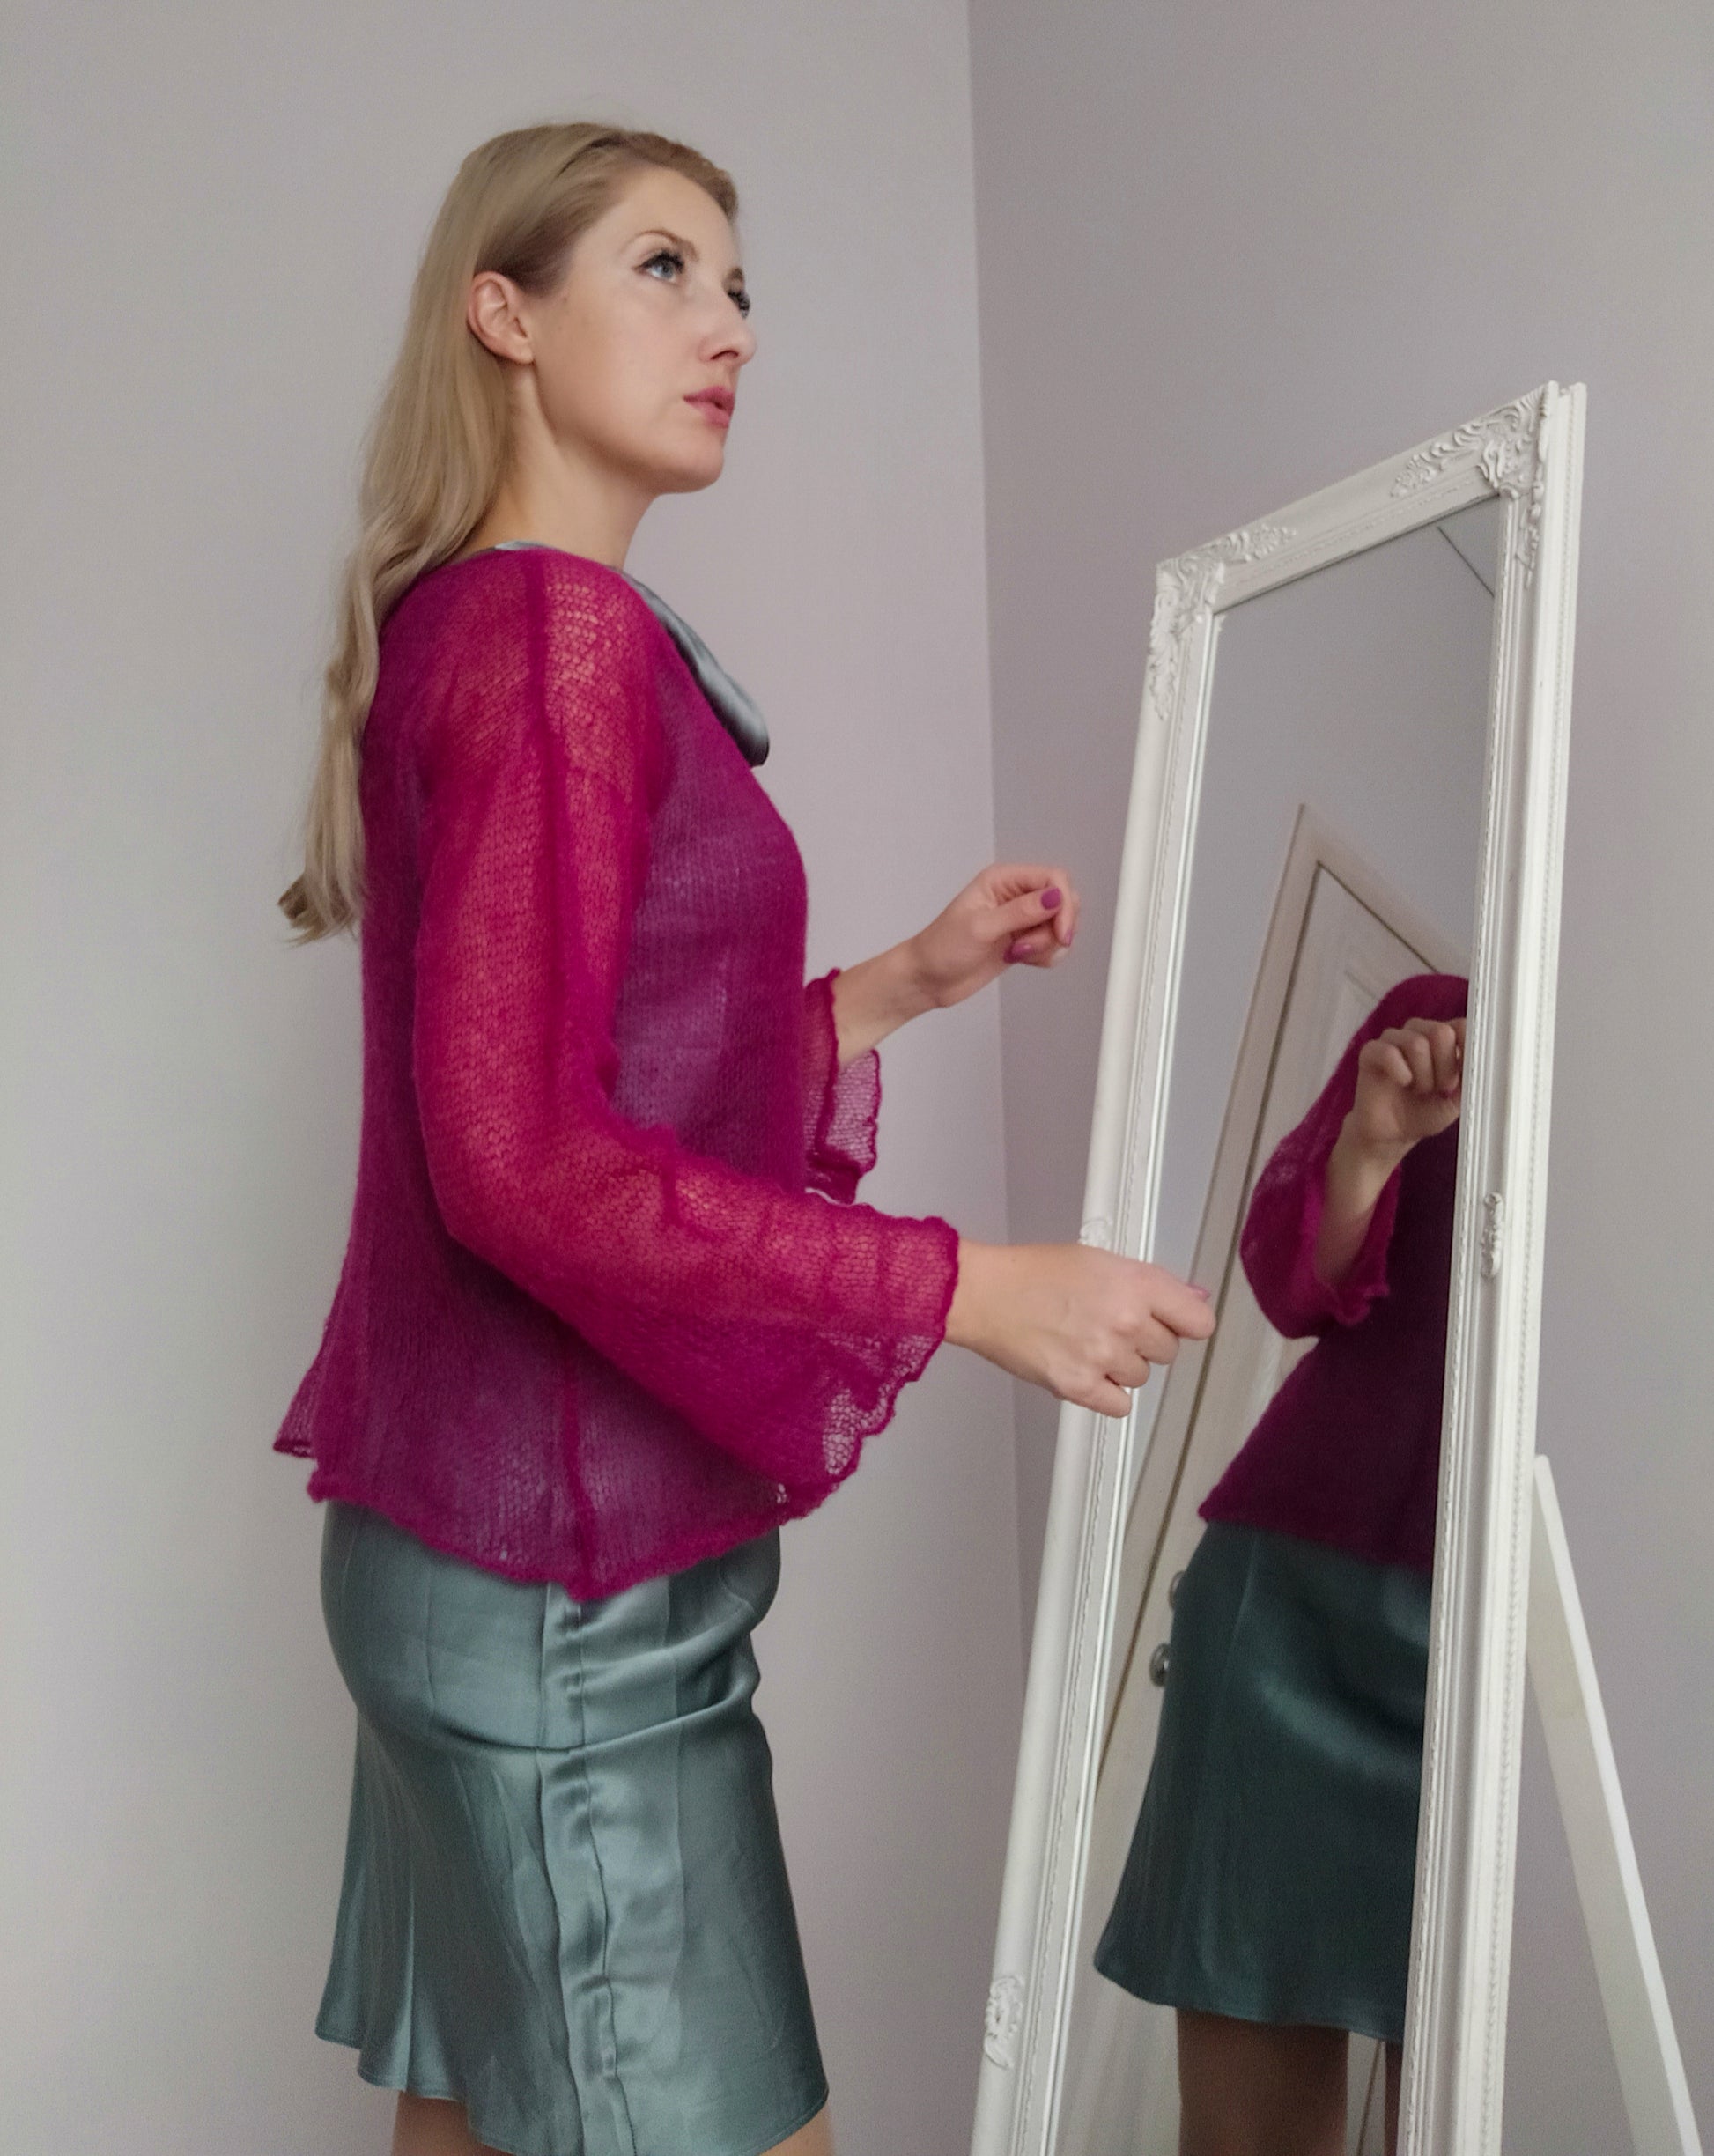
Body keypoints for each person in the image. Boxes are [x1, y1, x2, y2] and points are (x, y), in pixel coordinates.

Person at [273, 120, 1215, 2156]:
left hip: (464, 1553)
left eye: (739, 286)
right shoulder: (554, 642)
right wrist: (968, 1286)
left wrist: (887, 991)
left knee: (482, 2115)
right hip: (557, 1596)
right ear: (504, 315)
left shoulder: (478, 624)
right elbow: (520, 1170)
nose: (731, 330)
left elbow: (572, 1090)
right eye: (663, 269)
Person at [1091, 971, 1468, 2156]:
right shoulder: (1443, 1015)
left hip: (1532, 1654)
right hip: (1289, 1621)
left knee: (1468, 2109)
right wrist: (1371, 1149)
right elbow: (1287, 1282)